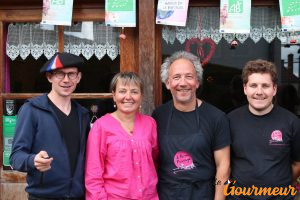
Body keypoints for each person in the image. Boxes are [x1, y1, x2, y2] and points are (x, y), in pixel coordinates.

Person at [10, 52, 90, 200]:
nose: (66, 80)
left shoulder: (82, 115)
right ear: (49, 77)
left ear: (78, 77)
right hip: (44, 196)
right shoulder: (32, 110)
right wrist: (33, 160)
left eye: (71, 74)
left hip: (78, 196)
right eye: (60, 74)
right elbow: (15, 157)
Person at [152, 51, 231, 200]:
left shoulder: (216, 118)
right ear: (168, 83)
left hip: (203, 194)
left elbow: (224, 167)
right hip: (166, 195)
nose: (183, 83)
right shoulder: (158, 116)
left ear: (197, 82)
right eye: (176, 77)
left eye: (189, 76)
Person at [227, 59, 300, 200]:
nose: (259, 92)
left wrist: (279, 184)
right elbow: (225, 164)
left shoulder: (292, 122)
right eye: (253, 85)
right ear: (245, 88)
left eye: (265, 86)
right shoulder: (229, 121)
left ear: (274, 89)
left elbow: (298, 163)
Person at [85, 72, 159, 200]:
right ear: (114, 95)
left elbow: (155, 161)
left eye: (134, 92)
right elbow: (93, 174)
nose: (128, 97)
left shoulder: (150, 124)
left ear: (141, 96)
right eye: (122, 91)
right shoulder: (101, 126)